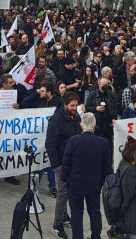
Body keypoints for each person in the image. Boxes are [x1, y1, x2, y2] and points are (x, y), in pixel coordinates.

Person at [61, 112, 111, 239]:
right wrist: (102, 182)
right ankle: (95, 236)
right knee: (94, 213)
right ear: (94, 125)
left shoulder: (73, 141)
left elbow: (66, 163)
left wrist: (65, 179)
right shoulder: (103, 142)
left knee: (76, 214)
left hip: (75, 184)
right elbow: (107, 167)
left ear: (81, 125)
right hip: (94, 184)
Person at [47, 92, 80, 238]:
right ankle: (57, 224)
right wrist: (57, 165)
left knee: (69, 192)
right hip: (62, 163)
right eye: (72, 105)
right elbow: (50, 144)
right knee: (62, 194)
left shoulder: (76, 116)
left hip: (75, 162)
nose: (75, 108)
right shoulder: (56, 120)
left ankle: (65, 217)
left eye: (76, 105)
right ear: (65, 105)